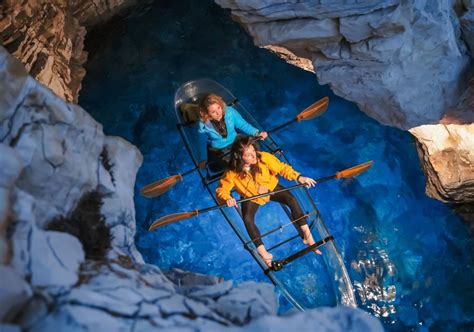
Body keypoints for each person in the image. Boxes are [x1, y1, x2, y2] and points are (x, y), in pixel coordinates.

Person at [216, 136, 321, 268]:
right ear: (240, 158)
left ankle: (307, 235)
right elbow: (221, 190)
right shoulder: (231, 173)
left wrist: (299, 177)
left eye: (253, 151)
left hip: (268, 188)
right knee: (247, 219)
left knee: (291, 199)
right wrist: (227, 198)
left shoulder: (264, 157)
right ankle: (263, 253)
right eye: (248, 155)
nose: (254, 156)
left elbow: (282, 168)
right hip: (251, 196)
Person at [196, 93, 268, 173]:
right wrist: (202, 159)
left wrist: (256, 133)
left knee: (255, 145)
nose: (218, 113)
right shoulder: (202, 124)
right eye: (213, 112)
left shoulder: (230, 111)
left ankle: (256, 166)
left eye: (219, 108)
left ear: (220, 105)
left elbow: (243, 125)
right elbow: (201, 143)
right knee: (227, 163)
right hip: (219, 148)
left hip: (235, 140)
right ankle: (241, 173)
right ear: (207, 113)